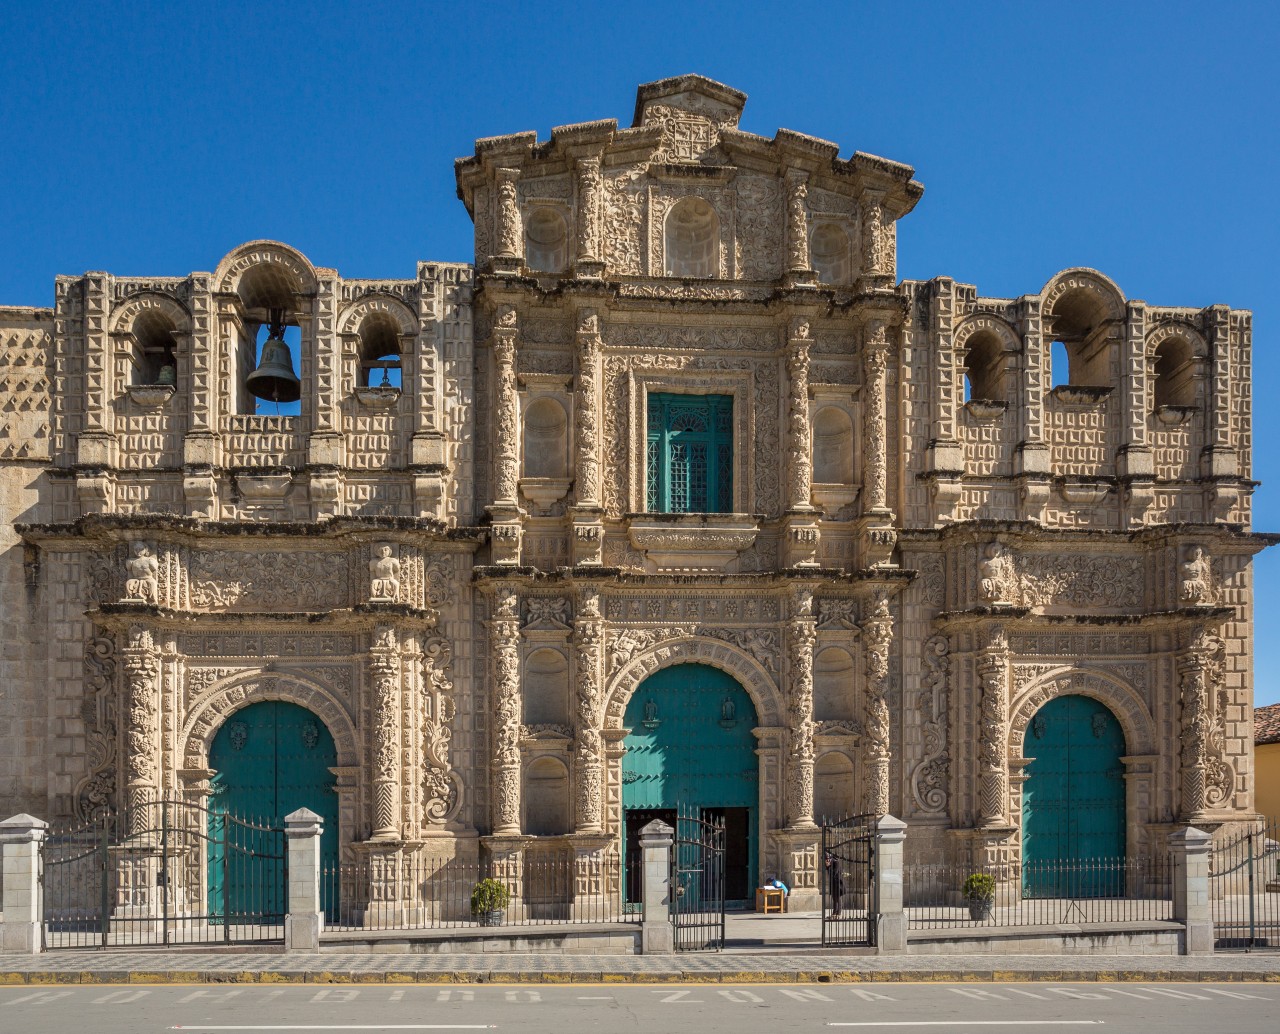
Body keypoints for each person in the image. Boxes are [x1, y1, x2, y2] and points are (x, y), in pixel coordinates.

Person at [825, 851, 845, 919]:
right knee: (834, 898)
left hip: (838, 883)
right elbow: (830, 874)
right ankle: (834, 913)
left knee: (838, 898)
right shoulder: (830, 863)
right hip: (833, 883)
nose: (827, 860)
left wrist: (828, 867)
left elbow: (834, 873)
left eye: (828, 859)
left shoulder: (836, 862)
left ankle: (838, 913)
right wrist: (828, 867)